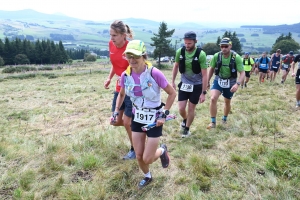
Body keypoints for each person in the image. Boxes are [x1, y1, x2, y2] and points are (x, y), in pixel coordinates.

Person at [113, 40, 176, 189]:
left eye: (136, 56)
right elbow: (121, 94)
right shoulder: (125, 75)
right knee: (139, 155)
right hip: (138, 118)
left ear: (143, 56)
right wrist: (116, 110)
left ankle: (162, 150)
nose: (132, 60)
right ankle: (147, 176)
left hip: (154, 119)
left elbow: (172, 93)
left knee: (147, 158)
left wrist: (164, 114)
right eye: (129, 56)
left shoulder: (154, 73)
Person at [104, 20, 136, 160]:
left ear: (123, 35)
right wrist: (110, 78)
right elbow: (114, 63)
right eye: (111, 35)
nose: (112, 38)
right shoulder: (111, 44)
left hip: (132, 88)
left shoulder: (131, 48)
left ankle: (134, 149)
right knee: (115, 121)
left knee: (127, 122)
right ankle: (138, 128)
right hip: (119, 87)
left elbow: (137, 68)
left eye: (115, 35)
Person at [171, 31, 208, 137]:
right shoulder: (180, 52)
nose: (187, 45)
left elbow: (205, 75)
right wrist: (173, 81)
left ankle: (187, 129)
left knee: (191, 108)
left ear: (195, 42)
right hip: (184, 84)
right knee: (181, 108)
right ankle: (186, 119)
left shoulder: (201, 54)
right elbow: (176, 66)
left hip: (197, 85)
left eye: (189, 43)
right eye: (185, 43)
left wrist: (203, 92)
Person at [207, 37, 245, 128]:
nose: (224, 48)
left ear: (230, 46)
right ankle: (213, 122)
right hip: (218, 79)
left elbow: (242, 73)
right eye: (222, 46)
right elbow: (211, 69)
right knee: (213, 98)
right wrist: (207, 81)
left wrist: (237, 84)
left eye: (226, 46)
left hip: (231, 81)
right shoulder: (217, 56)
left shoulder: (236, 57)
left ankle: (224, 118)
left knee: (227, 101)